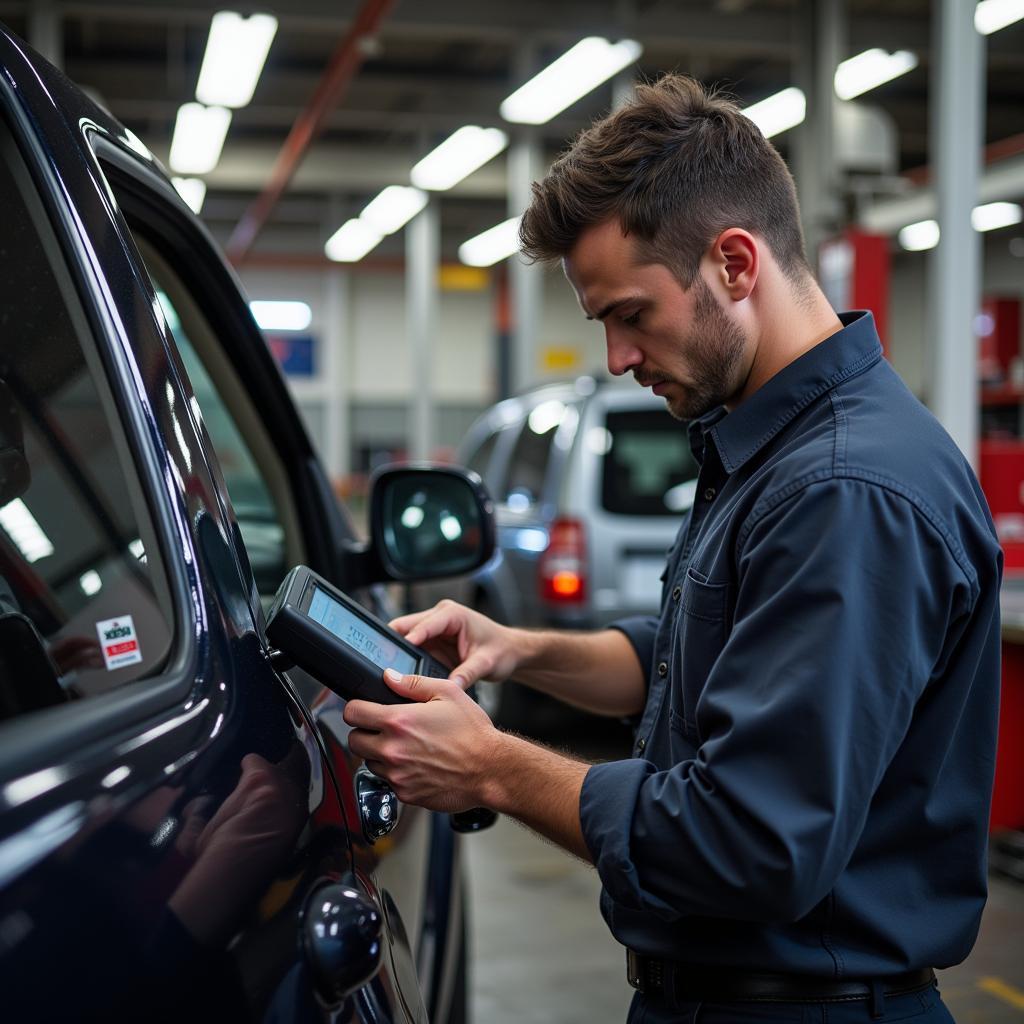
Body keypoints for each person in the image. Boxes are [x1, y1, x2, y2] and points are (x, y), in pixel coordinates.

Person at [343, 74, 1002, 1023]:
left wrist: (494, 767)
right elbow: (696, 660)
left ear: (735, 263)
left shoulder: (844, 489)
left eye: (630, 314)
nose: (616, 358)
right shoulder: (770, 444)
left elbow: (753, 840)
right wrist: (521, 649)